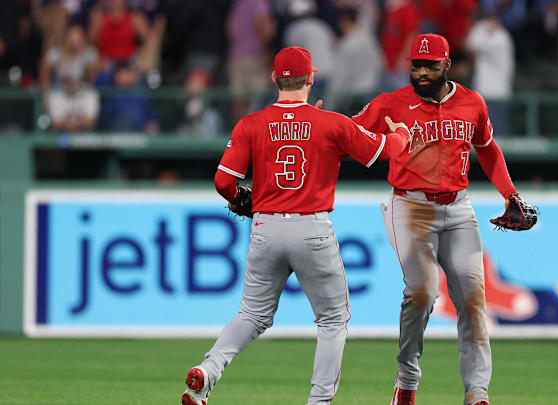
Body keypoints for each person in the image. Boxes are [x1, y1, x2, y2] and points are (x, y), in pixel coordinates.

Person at [180, 46, 412, 405]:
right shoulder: (331, 123)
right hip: (312, 227)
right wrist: (402, 137)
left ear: (274, 79)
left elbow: (223, 180)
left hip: (266, 226)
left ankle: (209, 370)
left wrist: (240, 199)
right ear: (311, 79)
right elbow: (385, 150)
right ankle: (318, 402)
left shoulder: (251, 124)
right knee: (333, 320)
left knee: (252, 316)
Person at [352, 33, 527, 405]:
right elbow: (348, 135)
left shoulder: (471, 102)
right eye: (416, 65)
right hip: (411, 206)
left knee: (473, 297)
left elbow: (488, 149)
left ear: (447, 65)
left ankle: (477, 391)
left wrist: (510, 194)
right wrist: (313, 122)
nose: (421, 72)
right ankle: (407, 376)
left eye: (430, 65)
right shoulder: (390, 103)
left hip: (459, 207)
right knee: (422, 293)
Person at [39, 24, 100, 132]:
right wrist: (46, 92)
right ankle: (62, 126)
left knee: (91, 95)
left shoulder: (88, 53)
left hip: (80, 91)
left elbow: (93, 77)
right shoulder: (56, 52)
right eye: (73, 38)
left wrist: (84, 58)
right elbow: (44, 72)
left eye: (79, 38)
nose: (76, 42)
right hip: (61, 91)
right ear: (67, 38)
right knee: (53, 96)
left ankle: (81, 126)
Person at [324, 6, 382, 113]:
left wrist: (328, 105)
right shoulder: (369, 39)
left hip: (352, 98)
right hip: (371, 93)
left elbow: (340, 77)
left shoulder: (345, 44)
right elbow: (379, 65)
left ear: (343, 21)